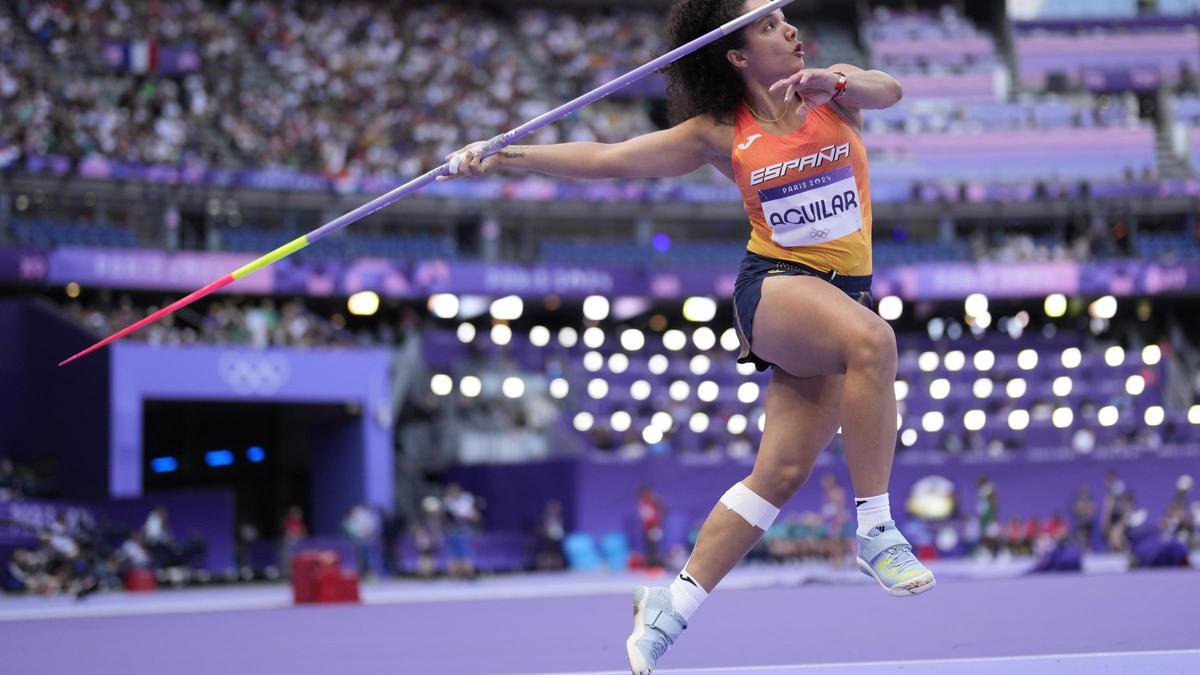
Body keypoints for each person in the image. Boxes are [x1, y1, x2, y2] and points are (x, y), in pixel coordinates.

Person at [442, 2, 929, 671]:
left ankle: (668, 608)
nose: (789, 29)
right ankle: (876, 529)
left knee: (778, 475)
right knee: (873, 343)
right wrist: (506, 153)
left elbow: (889, 89)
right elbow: (609, 160)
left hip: (839, 300)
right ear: (735, 55)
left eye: (785, 18)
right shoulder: (718, 131)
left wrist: (838, 84)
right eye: (767, 25)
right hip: (777, 289)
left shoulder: (834, 91)